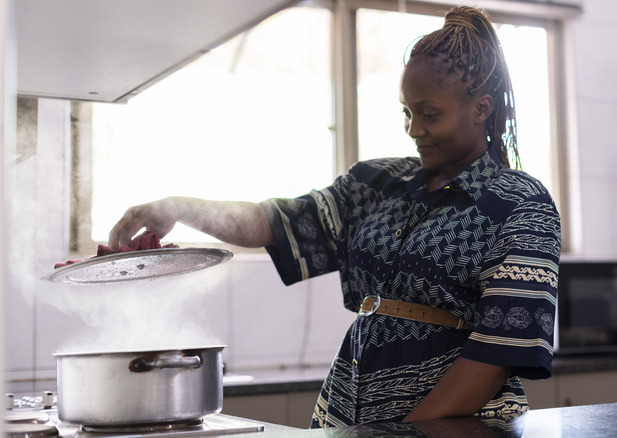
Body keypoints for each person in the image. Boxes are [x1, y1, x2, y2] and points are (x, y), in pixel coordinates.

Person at [108, 6, 561, 428]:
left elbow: (500, 348)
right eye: (407, 112)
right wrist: (176, 208)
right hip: (350, 411)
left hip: (459, 426)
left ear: (480, 108)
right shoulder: (375, 184)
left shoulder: (521, 202)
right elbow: (274, 222)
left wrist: (408, 432)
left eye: (430, 114)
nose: (414, 129)